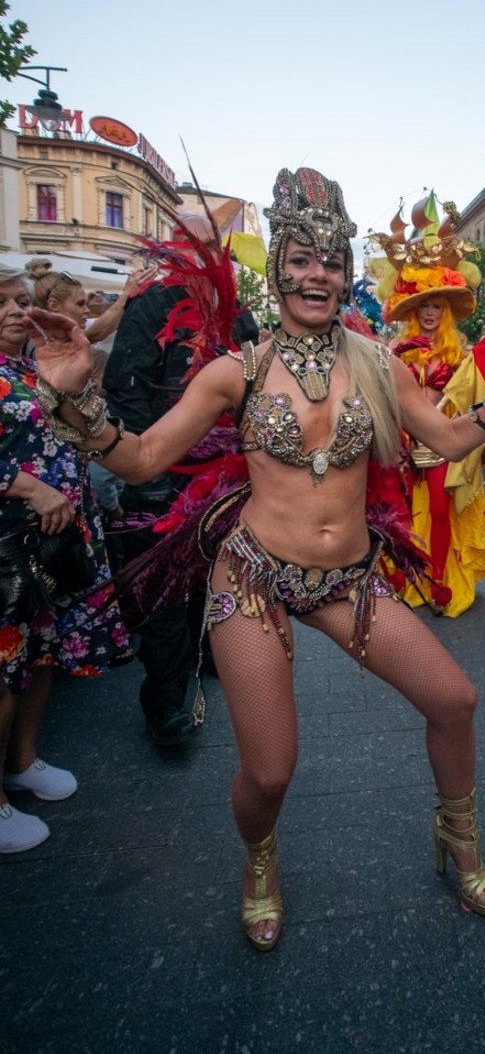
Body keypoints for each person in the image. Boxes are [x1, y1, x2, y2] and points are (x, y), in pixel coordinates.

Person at [27, 166, 485, 948]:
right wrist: (76, 397)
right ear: (277, 269)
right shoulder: (232, 371)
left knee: (455, 701)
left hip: (348, 579)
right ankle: (259, 860)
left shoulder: (379, 364)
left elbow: (446, 440)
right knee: (271, 771)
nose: (319, 275)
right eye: (302, 260)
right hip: (250, 577)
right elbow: (141, 461)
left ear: (347, 272)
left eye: (333, 261)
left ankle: (458, 837)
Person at [102, 216, 258, 746]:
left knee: (214, 579)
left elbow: (257, 387)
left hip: (224, 481)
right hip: (162, 476)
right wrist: (148, 473)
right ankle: (167, 705)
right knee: (166, 592)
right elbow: (123, 391)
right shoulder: (152, 303)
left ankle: (210, 656)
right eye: (189, 246)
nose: (201, 255)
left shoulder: (237, 314)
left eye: (209, 246)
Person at [0, 263, 131, 853]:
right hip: (9, 547)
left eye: (17, 301)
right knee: (3, 671)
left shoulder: (31, 367)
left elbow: (81, 431)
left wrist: (75, 385)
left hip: (59, 541)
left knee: (43, 653)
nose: (12, 311)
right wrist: (30, 488)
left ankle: (22, 763)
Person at [373, 200, 485, 614]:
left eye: (437, 306)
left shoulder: (459, 355)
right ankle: (409, 578)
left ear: (446, 311)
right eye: (424, 305)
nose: (430, 312)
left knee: (442, 511)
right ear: (414, 310)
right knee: (403, 517)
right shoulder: (396, 352)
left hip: (444, 446)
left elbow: (474, 405)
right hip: (405, 449)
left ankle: (442, 583)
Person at [25, 260, 150, 346]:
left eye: (85, 304)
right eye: (79, 304)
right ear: (54, 305)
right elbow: (96, 333)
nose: (87, 310)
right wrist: (127, 294)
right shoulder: (44, 339)